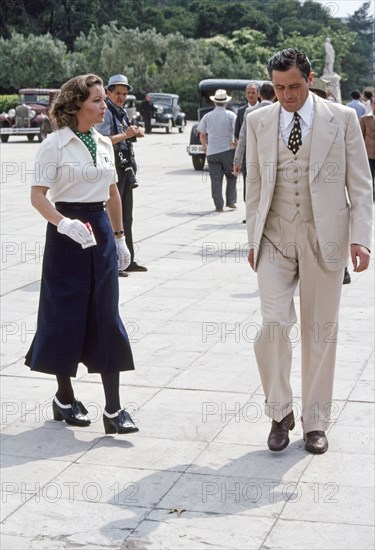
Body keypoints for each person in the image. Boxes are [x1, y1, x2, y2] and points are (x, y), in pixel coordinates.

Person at [245, 48, 372, 454]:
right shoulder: (257, 120)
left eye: (295, 86)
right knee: (273, 324)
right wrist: (252, 238)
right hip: (274, 236)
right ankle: (279, 411)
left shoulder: (344, 118)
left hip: (327, 235)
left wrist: (361, 237)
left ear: (311, 78)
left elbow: (361, 183)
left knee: (321, 332)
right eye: (279, 88)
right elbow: (253, 183)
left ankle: (315, 422)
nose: (287, 95)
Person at [25, 74, 139, 435]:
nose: (104, 106)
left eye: (104, 100)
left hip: (100, 233)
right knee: (66, 315)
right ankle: (64, 397)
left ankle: (114, 408)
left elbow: (113, 193)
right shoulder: (54, 145)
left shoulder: (104, 142)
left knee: (106, 315)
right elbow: (38, 196)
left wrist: (120, 238)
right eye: (97, 101)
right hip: (66, 235)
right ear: (76, 105)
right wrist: (62, 224)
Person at [97, 74, 147, 276]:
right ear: (108, 92)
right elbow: (103, 139)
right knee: (113, 216)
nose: (121, 97)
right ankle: (114, 262)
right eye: (117, 93)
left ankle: (128, 259)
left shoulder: (120, 111)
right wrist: (126, 135)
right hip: (113, 168)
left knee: (126, 216)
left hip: (124, 168)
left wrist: (132, 133)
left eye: (124, 94)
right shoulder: (106, 112)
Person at [197, 89, 237, 212]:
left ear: (214, 103)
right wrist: (235, 143)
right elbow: (237, 133)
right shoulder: (231, 115)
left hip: (212, 152)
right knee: (231, 176)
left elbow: (202, 134)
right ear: (226, 103)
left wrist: (205, 146)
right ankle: (230, 201)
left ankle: (218, 205)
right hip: (227, 151)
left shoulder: (207, 116)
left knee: (215, 179)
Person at [233, 82, 275, 178]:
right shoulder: (281, 112)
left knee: (252, 190)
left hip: (253, 160)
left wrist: (237, 161)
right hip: (274, 160)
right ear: (275, 95)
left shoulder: (249, 113)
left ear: (259, 94)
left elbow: (242, 139)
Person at [360, 95, 375, 200]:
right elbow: (360, 135)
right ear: (371, 104)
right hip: (369, 153)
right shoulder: (365, 119)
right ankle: (371, 195)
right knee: (370, 176)